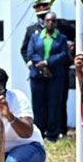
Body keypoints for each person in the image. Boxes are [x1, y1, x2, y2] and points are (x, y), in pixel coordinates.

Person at [26, 11, 69, 142]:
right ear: (44, 22)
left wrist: (47, 62)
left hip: (55, 76)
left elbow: (63, 54)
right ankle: (39, 132)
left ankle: (52, 134)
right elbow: (30, 52)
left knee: (54, 104)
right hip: (37, 75)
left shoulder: (61, 38)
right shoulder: (35, 37)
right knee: (38, 105)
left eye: (53, 20)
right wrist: (42, 66)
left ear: (56, 23)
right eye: (48, 20)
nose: (50, 23)